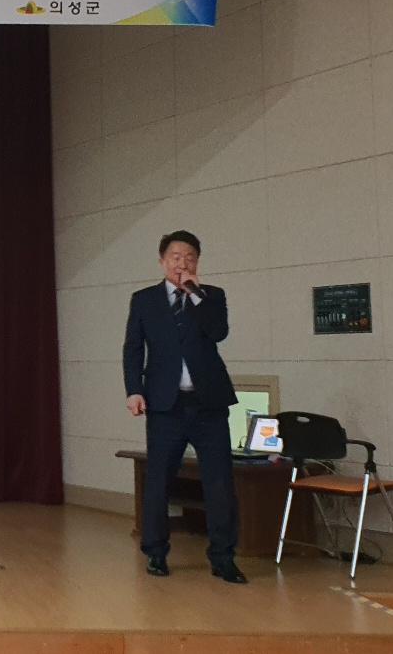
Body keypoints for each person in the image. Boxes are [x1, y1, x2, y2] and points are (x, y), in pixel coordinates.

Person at [122, 230, 246, 584]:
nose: (182, 263)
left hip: (208, 404)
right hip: (165, 405)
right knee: (158, 481)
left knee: (219, 482)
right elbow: (133, 348)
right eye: (175, 257)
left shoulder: (212, 296)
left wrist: (196, 296)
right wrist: (134, 390)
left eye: (189, 257)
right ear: (162, 261)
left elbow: (218, 333)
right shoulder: (144, 300)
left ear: (197, 262)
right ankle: (156, 553)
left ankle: (223, 557)